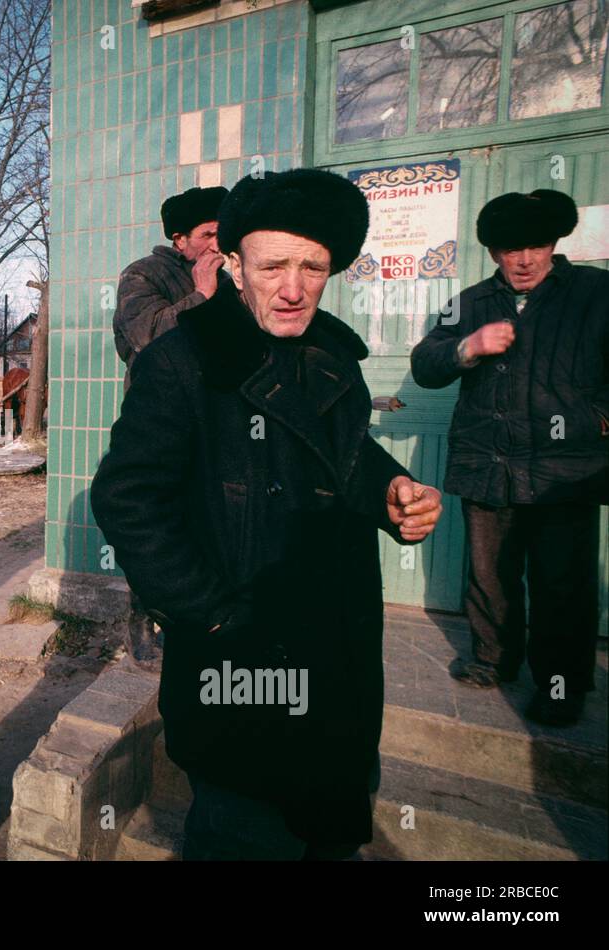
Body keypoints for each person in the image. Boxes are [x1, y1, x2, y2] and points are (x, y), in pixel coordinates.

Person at [91, 169, 444, 860]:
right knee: (245, 834)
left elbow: (342, 451)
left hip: (338, 657)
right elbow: (127, 500)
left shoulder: (331, 354)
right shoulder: (184, 360)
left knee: (329, 829)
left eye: (312, 266)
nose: (293, 286)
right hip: (240, 668)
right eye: (273, 265)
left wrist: (391, 491)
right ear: (232, 267)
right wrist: (213, 614)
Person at [411, 190, 608, 726]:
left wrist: (598, 419)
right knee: (489, 574)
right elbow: (426, 363)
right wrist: (466, 347)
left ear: (554, 244)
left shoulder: (595, 291)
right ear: (493, 251)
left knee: (561, 583)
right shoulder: (470, 301)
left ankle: (561, 685)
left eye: (536, 246)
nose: (524, 260)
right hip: (488, 462)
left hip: (564, 469)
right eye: (509, 248)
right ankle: (493, 661)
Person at [114, 185, 231, 388]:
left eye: (221, 235)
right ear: (180, 240)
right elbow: (148, 338)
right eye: (207, 235)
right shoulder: (141, 273)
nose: (217, 246)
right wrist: (201, 295)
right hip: (158, 405)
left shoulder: (225, 280)